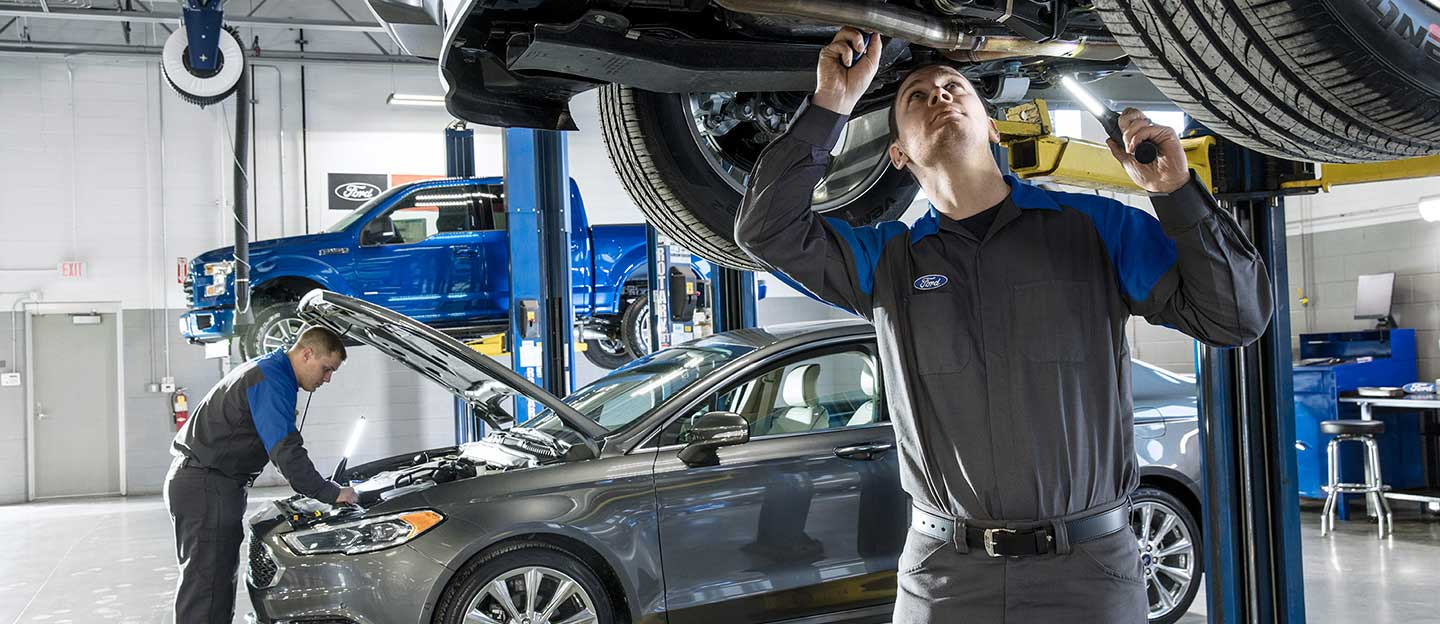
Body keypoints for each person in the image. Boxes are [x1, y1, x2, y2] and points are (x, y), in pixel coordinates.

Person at [735, 27, 1272, 622]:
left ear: (993, 126)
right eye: (915, 96)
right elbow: (767, 231)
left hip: (1089, 572)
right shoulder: (885, 263)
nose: (939, 95)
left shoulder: (1095, 230)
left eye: (954, 87)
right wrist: (831, 102)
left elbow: (1236, 318)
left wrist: (1176, 193)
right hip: (944, 578)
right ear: (899, 155)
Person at [165, 326, 358, 623]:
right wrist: (330, 492)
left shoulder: (270, 369)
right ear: (307, 354)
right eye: (326, 369)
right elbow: (286, 451)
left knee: (214, 582)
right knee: (206, 588)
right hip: (206, 483)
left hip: (210, 482)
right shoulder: (271, 379)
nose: (327, 378)